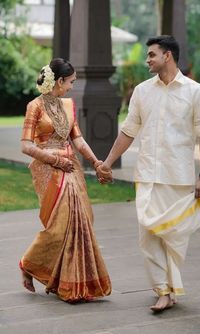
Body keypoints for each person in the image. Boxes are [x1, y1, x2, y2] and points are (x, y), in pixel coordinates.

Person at [96, 36, 200, 312]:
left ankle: (171, 289)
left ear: (168, 56)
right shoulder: (142, 91)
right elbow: (128, 131)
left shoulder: (196, 92)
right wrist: (108, 162)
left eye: (152, 55)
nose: (147, 60)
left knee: (173, 237)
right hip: (147, 174)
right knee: (147, 235)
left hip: (179, 176)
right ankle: (162, 289)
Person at [20, 58, 112, 303]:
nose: (72, 86)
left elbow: (78, 140)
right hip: (49, 171)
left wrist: (96, 162)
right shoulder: (35, 106)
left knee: (81, 222)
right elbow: (26, 145)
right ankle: (28, 263)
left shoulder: (69, 105)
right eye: (70, 82)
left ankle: (75, 283)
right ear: (59, 81)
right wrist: (53, 160)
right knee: (59, 226)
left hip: (72, 169)